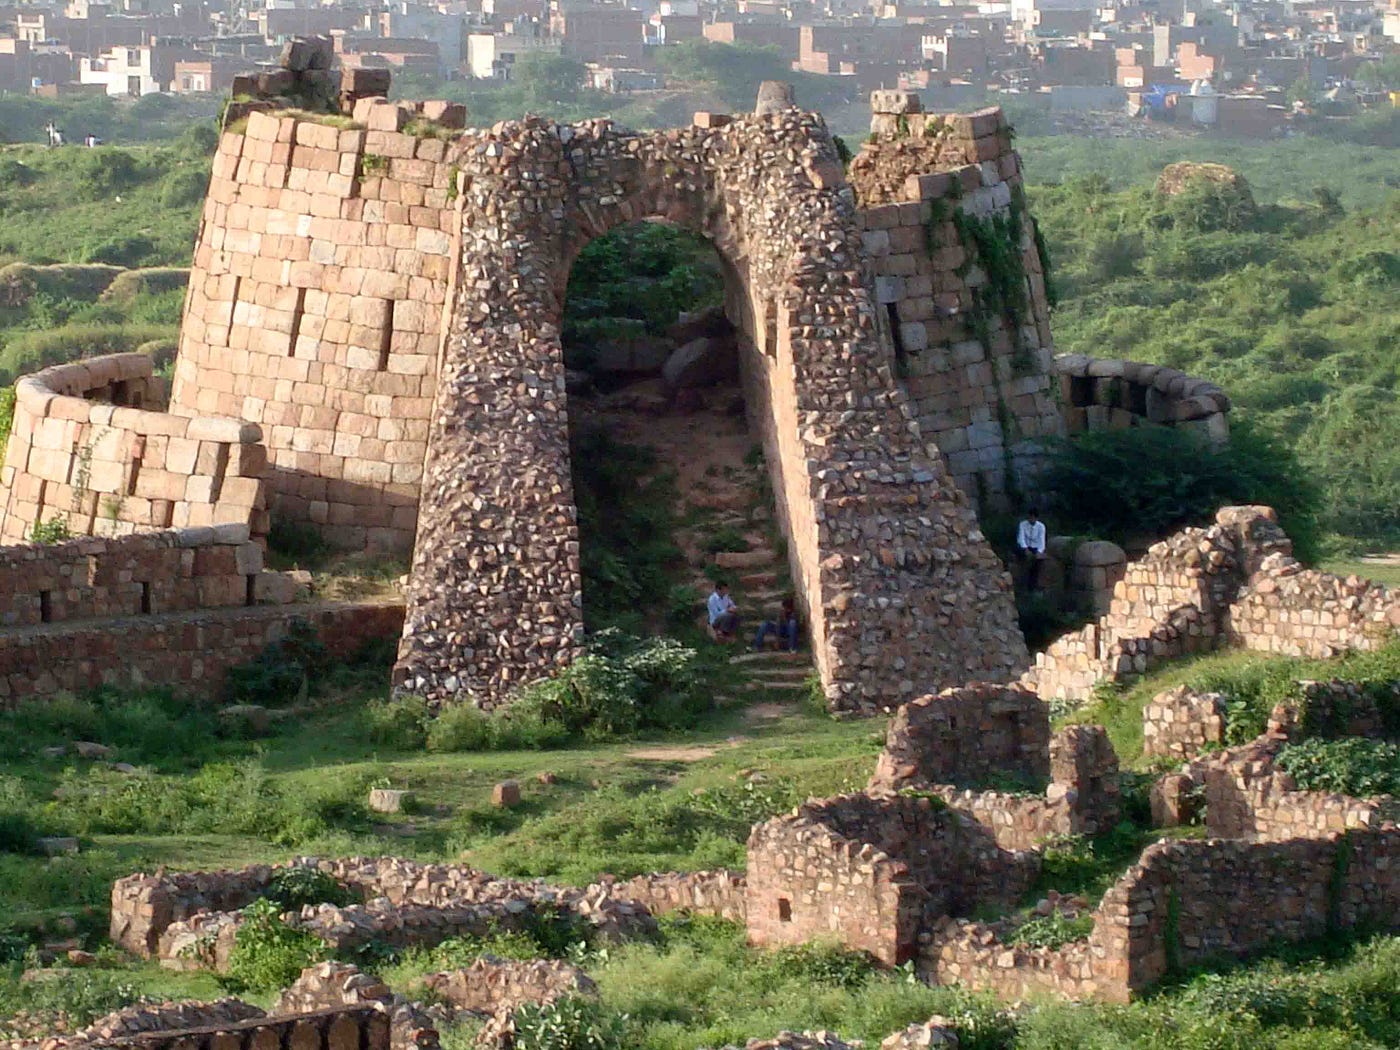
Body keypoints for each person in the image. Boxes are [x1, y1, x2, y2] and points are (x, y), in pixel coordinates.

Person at [1016, 509, 1047, 591]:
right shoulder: (1023, 524)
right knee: (1023, 557)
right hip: (1024, 547)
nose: (1032, 519)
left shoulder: (1041, 526)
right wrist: (1025, 548)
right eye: (1030, 517)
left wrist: (1039, 552)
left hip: (1035, 548)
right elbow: (1021, 538)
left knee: (1037, 563)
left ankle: (1033, 585)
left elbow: (1042, 541)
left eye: (1033, 518)